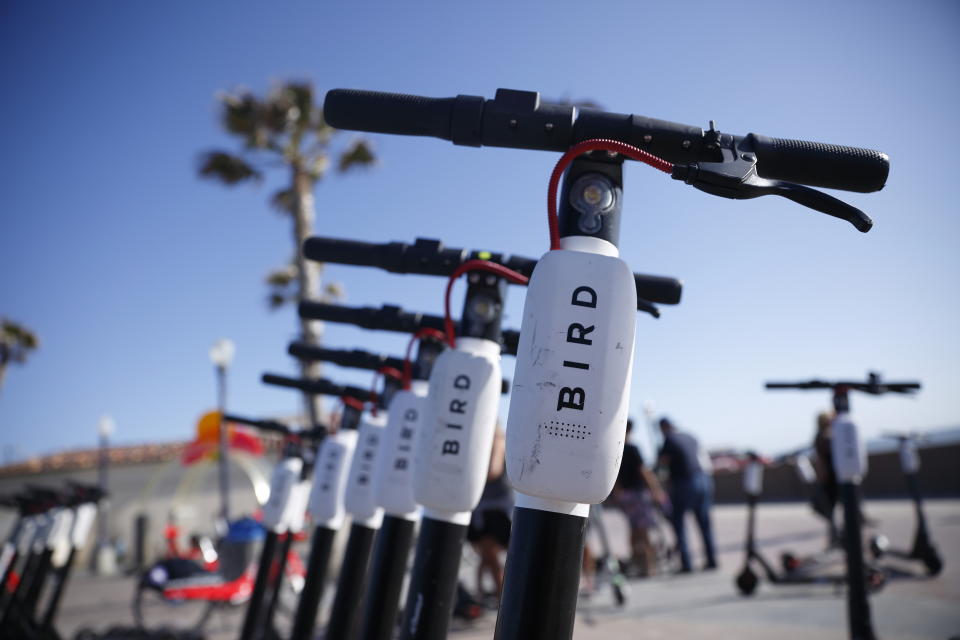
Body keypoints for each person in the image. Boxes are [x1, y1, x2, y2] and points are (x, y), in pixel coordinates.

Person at [657, 417, 717, 573]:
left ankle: (687, 564)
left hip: (684, 482)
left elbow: (663, 464)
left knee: (679, 523)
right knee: (704, 523)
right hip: (704, 480)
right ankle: (712, 560)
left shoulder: (669, 440)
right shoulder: (690, 436)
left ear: (663, 428)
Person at [608, 419, 667, 576]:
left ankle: (635, 562)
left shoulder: (615, 448)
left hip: (625, 495)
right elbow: (644, 471)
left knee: (633, 530)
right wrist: (656, 490)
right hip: (637, 494)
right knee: (644, 530)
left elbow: (612, 474)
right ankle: (648, 566)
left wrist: (617, 492)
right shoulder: (633, 448)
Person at [466, 426, 513, 603]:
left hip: (499, 508)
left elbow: (494, 471)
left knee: (511, 556)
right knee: (489, 557)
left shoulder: (497, 440)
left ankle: (505, 597)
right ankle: (499, 598)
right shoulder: (479, 443)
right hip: (483, 508)